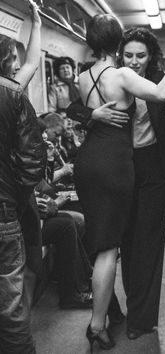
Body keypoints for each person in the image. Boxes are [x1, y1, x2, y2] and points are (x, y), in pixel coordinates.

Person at [68, 26, 165, 341]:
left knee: (145, 246)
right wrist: (93, 114)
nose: (134, 60)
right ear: (119, 53)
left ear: (150, 56)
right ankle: (110, 311)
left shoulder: (156, 79)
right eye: (128, 54)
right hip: (120, 168)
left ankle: (140, 320)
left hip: (153, 168)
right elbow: (73, 107)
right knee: (115, 242)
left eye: (140, 55)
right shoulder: (112, 77)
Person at [0, 1, 47, 353]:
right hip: (4, 208)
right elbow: (32, 163)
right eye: (11, 59)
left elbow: (29, 63)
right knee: (11, 300)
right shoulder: (13, 94)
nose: (17, 65)